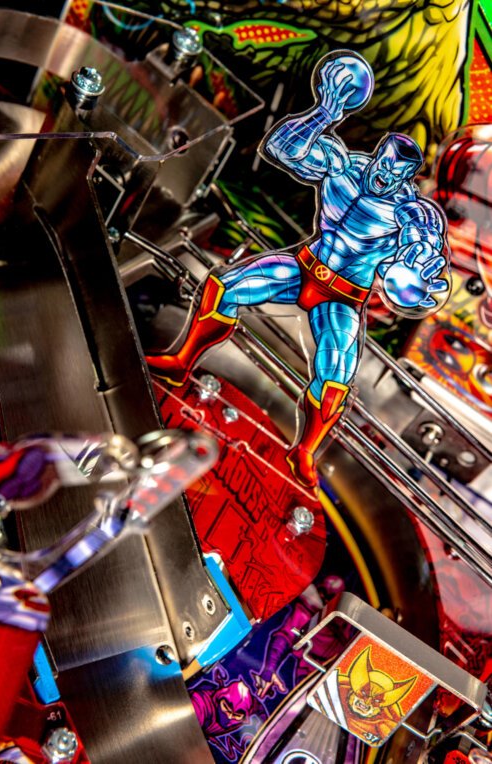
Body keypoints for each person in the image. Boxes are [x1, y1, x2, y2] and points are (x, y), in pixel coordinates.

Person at [147, 52, 450, 489]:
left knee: (335, 377)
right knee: (223, 287)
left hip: (343, 298)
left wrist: (417, 270)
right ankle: (180, 361)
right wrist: (325, 112)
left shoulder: (410, 211)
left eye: (395, 173)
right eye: (383, 163)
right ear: (378, 154)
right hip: (304, 266)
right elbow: (280, 148)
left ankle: (304, 451)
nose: (383, 175)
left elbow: (423, 247)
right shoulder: (344, 166)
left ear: (408, 178)